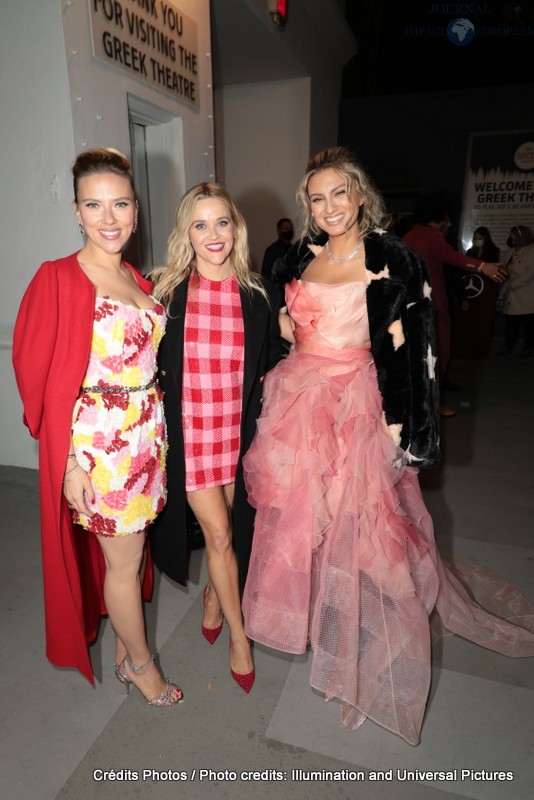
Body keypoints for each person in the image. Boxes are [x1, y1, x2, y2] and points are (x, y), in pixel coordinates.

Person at [241, 146, 534, 745]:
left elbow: (415, 351)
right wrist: (284, 326)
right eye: (316, 198)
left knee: (373, 532)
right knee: (313, 528)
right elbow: (282, 315)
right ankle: (335, 633)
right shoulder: (299, 254)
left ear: (360, 193)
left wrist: (408, 433)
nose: (328, 207)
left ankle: (391, 638)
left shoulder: (394, 258)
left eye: (338, 194)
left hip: (358, 407)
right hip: (298, 406)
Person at [12, 148, 182, 706]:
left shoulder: (137, 276)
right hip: (100, 450)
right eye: (94, 205)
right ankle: (141, 665)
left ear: (136, 210)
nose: (109, 219)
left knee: (130, 558)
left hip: (146, 440)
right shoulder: (58, 277)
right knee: (124, 561)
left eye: (120, 204)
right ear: (77, 212)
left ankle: (124, 647)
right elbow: (31, 370)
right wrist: (64, 463)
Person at [150, 183, 282, 693]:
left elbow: (274, 363)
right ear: (187, 231)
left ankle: (214, 596)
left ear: (236, 227)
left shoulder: (260, 294)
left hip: (240, 436)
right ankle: (240, 638)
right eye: (200, 224)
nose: (213, 235)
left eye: (221, 222)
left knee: (234, 532)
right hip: (193, 438)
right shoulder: (165, 292)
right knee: (221, 536)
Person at [402, 194, 506, 416]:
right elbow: (450, 256)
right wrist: (482, 267)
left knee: (420, 360)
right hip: (434, 307)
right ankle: (431, 407)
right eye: (446, 219)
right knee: (439, 357)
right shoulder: (432, 236)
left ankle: (419, 405)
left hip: (413, 307)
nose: (448, 224)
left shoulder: (410, 236)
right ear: (435, 218)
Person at [500, 225, 534, 358]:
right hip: (512, 295)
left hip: (526, 294)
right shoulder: (511, 251)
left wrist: (514, 284)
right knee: (511, 323)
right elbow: (503, 266)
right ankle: (508, 346)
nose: (510, 238)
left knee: (529, 324)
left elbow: (530, 271)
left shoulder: (531, 250)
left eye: (512, 235)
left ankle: (528, 349)